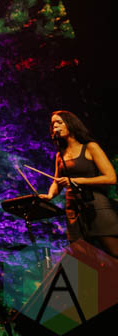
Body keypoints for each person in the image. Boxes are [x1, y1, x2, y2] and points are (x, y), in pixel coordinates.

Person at [40, 110, 118, 257]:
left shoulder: (90, 147)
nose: (55, 126)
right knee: (81, 257)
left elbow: (111, 178)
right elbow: (57, 182)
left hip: (96, 206)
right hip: (73, 210)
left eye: (59, 122)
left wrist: (76, 181)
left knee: (114, 251)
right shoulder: (60, 155)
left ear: (70, 124)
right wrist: (50, 195)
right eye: (53, 124)